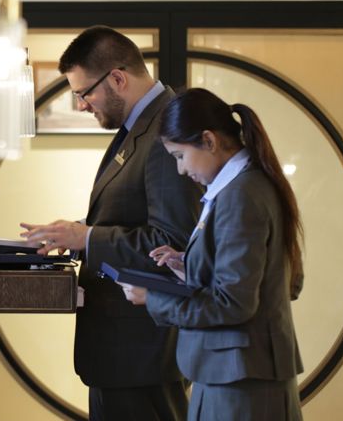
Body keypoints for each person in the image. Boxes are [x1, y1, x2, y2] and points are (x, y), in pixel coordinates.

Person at [20, 26, 200, 421]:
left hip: (142, 351)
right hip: (123, 350)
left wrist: (88, 237)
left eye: (84, 93)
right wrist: (75, 232)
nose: (82, 105)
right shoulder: (139, 127)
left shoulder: (164, 132)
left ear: (117, 78)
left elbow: (172, 241)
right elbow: (130, 214)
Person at [117, 87, 304, 421]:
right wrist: (190, 266)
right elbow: (274, 280)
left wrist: (154, 297)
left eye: (179, 156)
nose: (180, 170)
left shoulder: (240, 195)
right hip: (236, 372)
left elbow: (234, 303)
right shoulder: (243, 186)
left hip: (240, 379)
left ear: (208, 140)